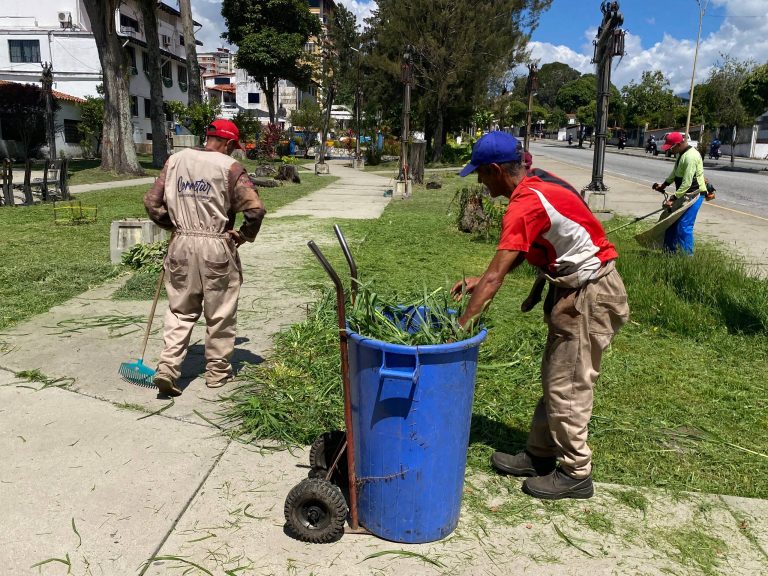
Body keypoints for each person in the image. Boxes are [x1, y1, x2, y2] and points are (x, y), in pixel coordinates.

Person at [451, 131, 629, 500]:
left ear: (498, 170)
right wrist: (479, 279)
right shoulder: (537, 183)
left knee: (568, 385)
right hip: (576, 292)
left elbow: (497, 275)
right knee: (556, 375)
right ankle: (540, 455)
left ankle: (576, 473)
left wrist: (458, 328)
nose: (480, 181)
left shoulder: (525, 204)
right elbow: (517, 255)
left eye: (481, 174)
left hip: (589, 297)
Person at [144, 119, 267, 397]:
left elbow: (152, 202)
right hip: (216, 245)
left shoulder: (174, 161)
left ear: (208, 136)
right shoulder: (230, 168)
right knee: (219, 312)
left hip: (181, 244)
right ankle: (217, 373)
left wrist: (174, 226)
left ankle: (168, 367)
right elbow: (255, 210)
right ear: (230, 144)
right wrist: (244, 235)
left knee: (180, 310)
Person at [652, 132, 707, 255]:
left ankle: (687, 258)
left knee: (684, 226)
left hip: (695, 194)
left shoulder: (691, 157)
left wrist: (672, 198)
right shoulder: (681, 154)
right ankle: (669, 252)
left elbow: (687, 183)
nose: (670, 150)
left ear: (679, 144)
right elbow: (675, 173)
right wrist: (664, 185)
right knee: (671, 222)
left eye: (671, 147)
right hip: (685, 194)